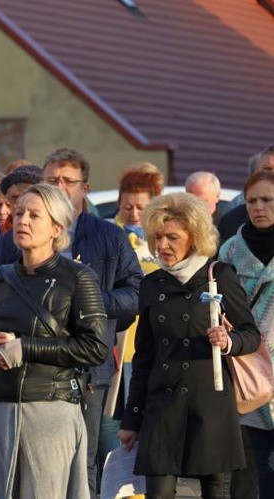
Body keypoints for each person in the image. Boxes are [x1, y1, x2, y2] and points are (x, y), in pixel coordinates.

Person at [0, 183, 109, 498]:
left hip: (49, 413)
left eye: (33, 215)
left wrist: (26, 347)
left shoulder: (78, 277)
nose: (22, 221)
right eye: (18, 213)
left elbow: (96, 348)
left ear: (57, 228)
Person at [118, 192, 261, 499]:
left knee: (216, 492)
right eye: (157, 237)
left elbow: (251, 335)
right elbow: (144, 358)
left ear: (194, 238)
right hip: (162, 410)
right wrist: (131, 420)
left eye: (172, 237)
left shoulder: (219, 275)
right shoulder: (152, 284)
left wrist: (228, 341)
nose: (162, 246)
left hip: (210, 409)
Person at [42, 148, 142, 498]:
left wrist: (91, 304)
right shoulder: (26, 232)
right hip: (35, 363)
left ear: (85, 188)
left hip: (89, 366)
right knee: (39, 460)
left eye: (68, 181)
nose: (60, 187)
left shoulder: (109, 237)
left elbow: (135, 294)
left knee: (81, 461)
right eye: (52, 180)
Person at [219, 170, 274, 498]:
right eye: (252, 200)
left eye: (267, 200)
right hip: (247, 373)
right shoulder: (229, 252)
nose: (259, 207)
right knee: (252, 472)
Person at [112, 165, 164, 275]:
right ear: (119, 204)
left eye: (141, 208)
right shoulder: (105, 234)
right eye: (127, 208)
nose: (134, 214)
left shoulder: (165, 237)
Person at [219, 145, 274, 244]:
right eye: (267, 169)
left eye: (266, 200)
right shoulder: (232, 220)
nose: (272, 175)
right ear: (254, 173)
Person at [0, 164, 44, 264]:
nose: (21, 203)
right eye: (15, 197)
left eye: (28, 196)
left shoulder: (57, 236)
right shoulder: (8, 238)